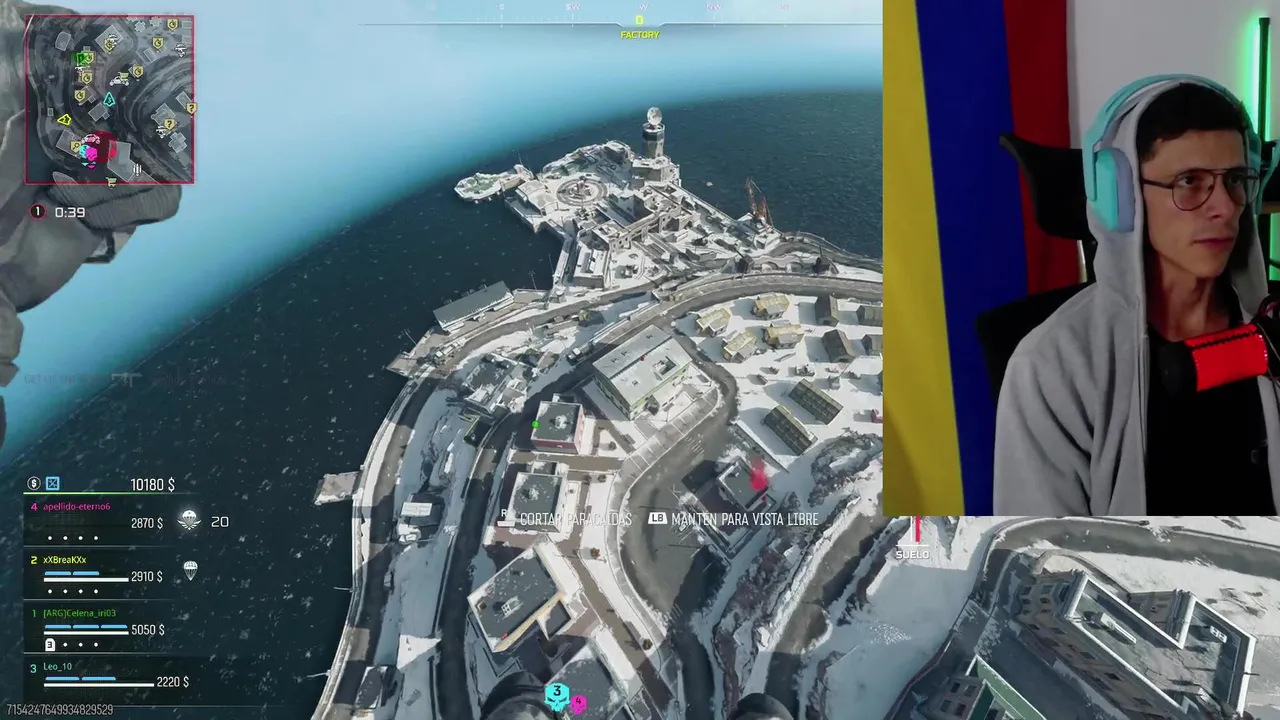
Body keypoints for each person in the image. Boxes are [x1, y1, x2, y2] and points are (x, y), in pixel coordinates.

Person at [994, 76, 1280, 515]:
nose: (1225, 207)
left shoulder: (1270, 334)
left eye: (1237, 179)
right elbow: (1046, 549)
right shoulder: (1052, 368)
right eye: (1189, 181)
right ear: (1121, 195)